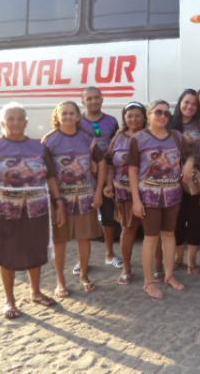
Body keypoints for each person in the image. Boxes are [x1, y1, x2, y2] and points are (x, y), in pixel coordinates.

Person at [0, 102, 65, 319]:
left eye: (19, 118)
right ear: (2, 122)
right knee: (7, 254)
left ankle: (36, 292)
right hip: (6, 213)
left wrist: (58, 202)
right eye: (10, 118)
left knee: (35, 250)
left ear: (26, 122)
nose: (15, 122)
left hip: (37, 210)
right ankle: (10, 300)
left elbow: (50, 176)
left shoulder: (38, 147)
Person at [128, 100, 190, 299]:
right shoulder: (138, 139)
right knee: (151, 237)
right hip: (149, 195)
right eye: (158, 112)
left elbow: (192, 153)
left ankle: (169, 275)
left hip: (173, 195)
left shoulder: (177, 137)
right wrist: (136, 200)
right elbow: (132, 170)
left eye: (166, 113)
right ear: (149, 115)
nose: (163, 116)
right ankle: (149, 281)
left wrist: (189, 163)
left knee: (169, 235)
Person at [42, 101, 105, 296]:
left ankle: (84, 275)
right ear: (57, 116)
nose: (68, 117)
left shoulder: (87, 138)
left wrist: (98, 191)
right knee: (60, 241)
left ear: (78, 116)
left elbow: (102, 162)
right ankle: (61, 281)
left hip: (85, 198)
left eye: (72, 113)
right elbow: (49, 173)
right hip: (60, 201)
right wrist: (57, 199)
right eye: (64, 113)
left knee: (84, 239)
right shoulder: (49, 140)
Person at [79, 86, 122, 272]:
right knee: (83, 219)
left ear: (102, 99)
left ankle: (110, 254)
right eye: (89, 98)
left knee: (108, 216)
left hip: (108, 176)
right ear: (83, 101)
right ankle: (83, 259)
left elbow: (117, 147)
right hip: (84, 177)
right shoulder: (76, 121)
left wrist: (110, 173)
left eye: (97, 98)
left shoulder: (112, 121)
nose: (93, 101)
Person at [104, 101, 147, 285]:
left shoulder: (150, 135)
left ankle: (158, 269)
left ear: (144, 117)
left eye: (138, 115)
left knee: (154, 232)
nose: (134, 119)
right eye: (130, 115)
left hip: (149, 192)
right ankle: (127, 268)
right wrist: (108, 184)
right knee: (128, 230)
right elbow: (109, 162)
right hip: (124, 192)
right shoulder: (118, 137)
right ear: (124, 118)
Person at [170, 89, 200, 275]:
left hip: (193, 180)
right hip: (171, 180)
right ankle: (177, 257)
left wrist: (192, 160)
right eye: (186, 102)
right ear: (180, 103)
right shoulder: (170, 123)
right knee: (176, 220)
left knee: (194, 219)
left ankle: (191, 260)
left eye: (194, 104)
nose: (190, 106)